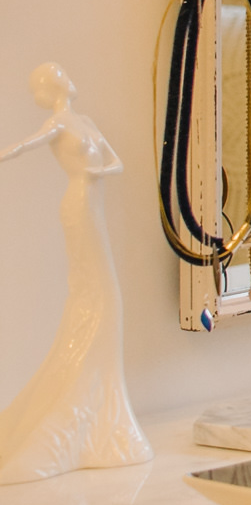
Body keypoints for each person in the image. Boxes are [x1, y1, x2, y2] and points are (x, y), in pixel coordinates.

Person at [0, 64, 152, 479]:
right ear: (50, 89)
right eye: (56, 76)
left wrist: (96, 172)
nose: (67, 78)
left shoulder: (84, 121)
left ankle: (105, 411)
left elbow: (115, 162)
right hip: (78, 205)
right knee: (91, 290)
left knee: (109, 296)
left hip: (93, 198)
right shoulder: (56, 123)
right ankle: (82, 411)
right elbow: (24, 146)